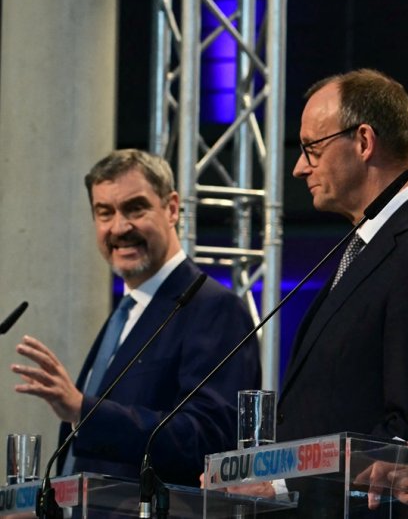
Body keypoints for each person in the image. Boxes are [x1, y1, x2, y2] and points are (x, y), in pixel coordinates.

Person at [10, 149, 261, 485]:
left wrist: (84, 411)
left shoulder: (214, 308)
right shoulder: (125, 313)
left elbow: (209, 438)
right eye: (105, 212)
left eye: (135, 208)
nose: (119, 227)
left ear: (172, 208)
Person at [278, 68, 408, 444]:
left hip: (362, 487)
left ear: (363, 142)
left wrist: (295, 477)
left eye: (312, 148)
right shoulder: (366, 247)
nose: (300, 167)